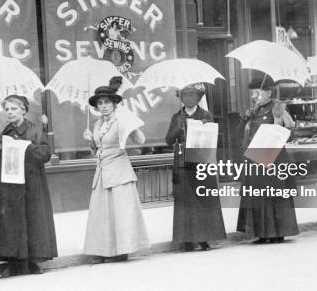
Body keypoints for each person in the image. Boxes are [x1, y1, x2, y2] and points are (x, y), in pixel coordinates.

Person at [0, 95, 58, 277]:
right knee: (11, 223)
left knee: (31, 220)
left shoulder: (35, 130)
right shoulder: (5, 133)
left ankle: (31, 261)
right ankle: (13, 262)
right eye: (7, 109)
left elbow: (46, 154)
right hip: (10, 185)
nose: (9, 112)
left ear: (24, 110)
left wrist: (26, 147)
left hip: (31, 183)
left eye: (14, 109)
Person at [82, 76, 150, 262]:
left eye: (107, 102)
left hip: (119, 172)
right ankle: (106, 251)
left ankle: (122, 251)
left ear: (114, 104)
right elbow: (98, 149)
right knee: (104, 214)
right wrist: (90, 141)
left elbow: (140, 141)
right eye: (100, 103)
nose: (103, 106)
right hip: (102, 173)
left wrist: (131, 125)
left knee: (121, 213)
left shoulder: (121, 120)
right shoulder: (97, 124)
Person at [237, 76, 299, 243]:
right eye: (252, 93)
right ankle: (262, 233)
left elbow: (291, 133)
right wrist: (245, 119)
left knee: (274, 196)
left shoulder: (278, 107)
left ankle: (277, 233)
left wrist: (280, 126)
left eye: (256, 93)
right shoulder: (254, 111)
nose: (253, 97)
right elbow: (241, 135)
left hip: (274, 158)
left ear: (268, 92)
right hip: (255, 158)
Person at [165, 83, 226, 252]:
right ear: (181, 98)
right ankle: (187, 239)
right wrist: (178, 128)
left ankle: (204, 238)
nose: (188, 98)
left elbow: (213, 139)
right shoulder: (177, 117)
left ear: (198, 98)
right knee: (185, 200)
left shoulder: (205, 114)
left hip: (201, 161)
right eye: (185, 95)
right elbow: (168, 140)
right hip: (183, 161)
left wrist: (205, 127)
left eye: (192, 95)